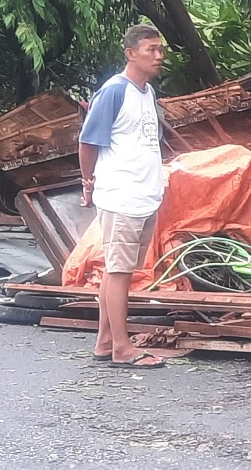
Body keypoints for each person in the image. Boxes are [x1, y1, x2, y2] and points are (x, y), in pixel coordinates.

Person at [78, 24, 168, 370]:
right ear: (131, 53)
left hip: (145, 195)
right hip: (121, 197)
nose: (158, 56)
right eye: (151, 50)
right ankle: (122, 347)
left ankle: (104, 342)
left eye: (160, 50)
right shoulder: (114, 92)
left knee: (122, 271)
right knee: (118, 272)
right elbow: (87, 142)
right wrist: (88, 181)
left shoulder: (147, 93)